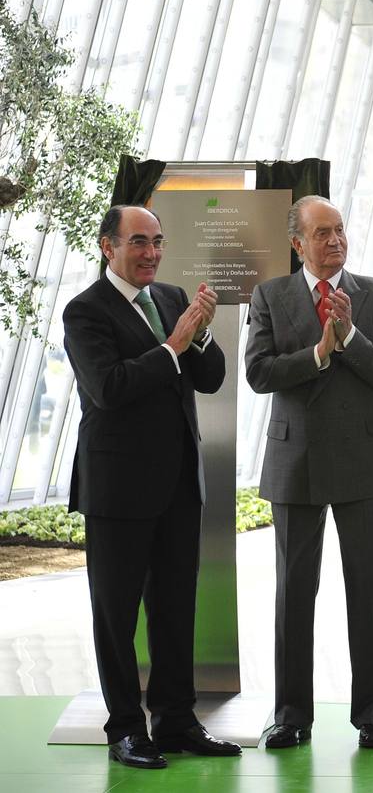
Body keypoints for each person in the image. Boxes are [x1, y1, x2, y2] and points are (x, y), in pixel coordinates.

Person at [62, 204, 239, 770]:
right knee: (115, 616)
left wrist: (200, 335)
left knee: (175, 608)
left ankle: (177, 720)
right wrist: (173, 346)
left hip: (178, 487)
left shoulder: (168, 299)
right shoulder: (85, 311)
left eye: (158, 242)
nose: (152, 253)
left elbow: (210, 379)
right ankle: (125, 730)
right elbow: (109, 388)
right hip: (117, 492)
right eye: (139, 242)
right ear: (106, 246)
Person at [245, 195, 373, 751]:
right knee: (294, 591)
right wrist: (317, 352)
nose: (335, 241)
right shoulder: (269, 296)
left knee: (370, 591)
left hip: (364, 463)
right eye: (322, 233)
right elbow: (259, 373)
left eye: (340, 230)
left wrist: (351, 338)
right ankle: (291, 716)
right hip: (297, 462)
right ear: (297, 243)